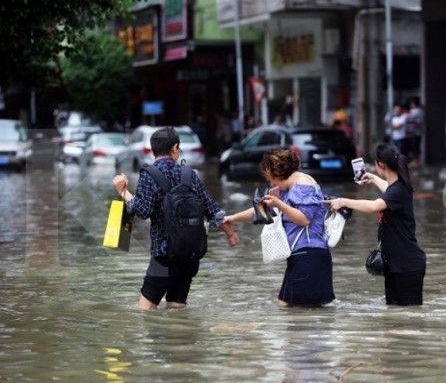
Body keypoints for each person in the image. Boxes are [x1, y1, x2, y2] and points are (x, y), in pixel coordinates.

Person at [112, 127, 239, 310]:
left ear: (153, 149)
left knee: (144, 312)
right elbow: (211, 208)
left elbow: (142, 210)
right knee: (177, 311)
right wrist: (230, 234)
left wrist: (123, 191)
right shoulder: (189, 174)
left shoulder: (148, 175)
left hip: (164, 258)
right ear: (175, 148)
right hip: (190, 256)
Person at [223, 149, 334, 307]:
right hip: (303, 256)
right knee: (298, 312)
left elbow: (304, 219)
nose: (271, 184)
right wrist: (233, 218)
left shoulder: (303, 184)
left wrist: (278, 203)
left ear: (278, 173)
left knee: (292, 313)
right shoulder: (289, 189)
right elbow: (263, 210)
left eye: (271, 179)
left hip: (309, 256)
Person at [325, 144, 426, 306]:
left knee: (408, 317)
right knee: (396, 315)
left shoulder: (398, 191)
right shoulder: (399, 187)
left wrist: (343, 201)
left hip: (406, 266)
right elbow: (388, 189)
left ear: (381, 165)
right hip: (397, 263)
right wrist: (372, 178)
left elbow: (373, 206)